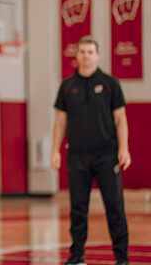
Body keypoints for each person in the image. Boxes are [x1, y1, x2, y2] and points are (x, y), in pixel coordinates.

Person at [51, 36, 131, 265]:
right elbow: (60, 122)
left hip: (107, 155)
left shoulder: (110, 83)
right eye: (82, 52)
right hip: (77, 156)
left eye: (90, 52)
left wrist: (124, 148)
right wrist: (55, 150)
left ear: (97, 55)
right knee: (78, 210)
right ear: (76, 56)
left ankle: (122, 258)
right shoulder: (67, 86)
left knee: (115, 207)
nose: (86, 55)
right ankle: (76, 256)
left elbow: (120, 119)